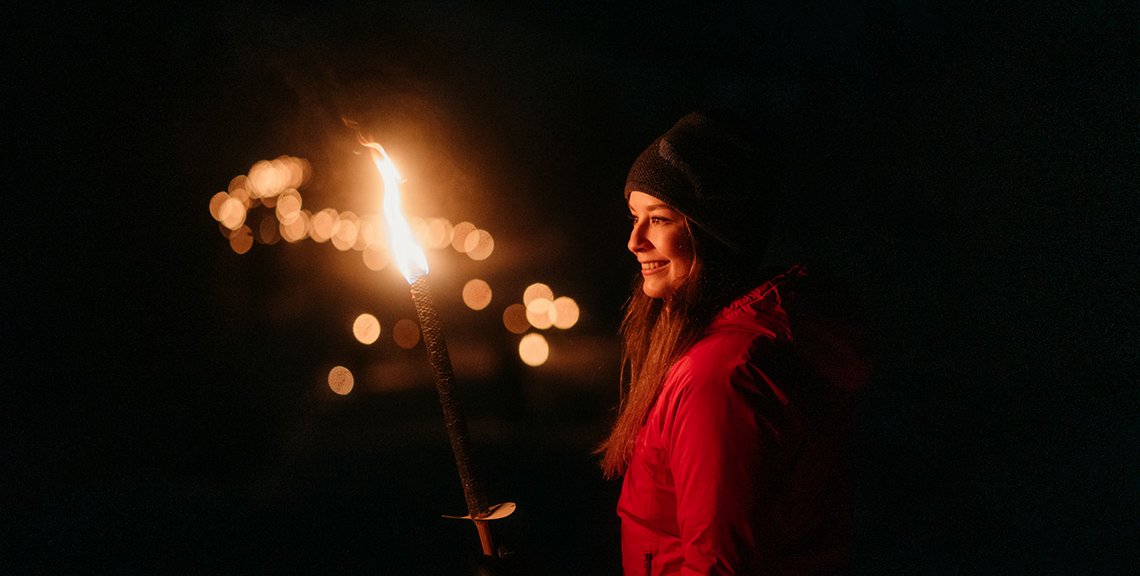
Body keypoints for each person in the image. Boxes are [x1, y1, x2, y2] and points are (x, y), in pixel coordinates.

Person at [597, 111, 868, 575]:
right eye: (634, 217)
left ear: (714, 233)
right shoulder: (731, 349)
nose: (634, 241)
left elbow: (720, 568)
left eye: (658, 219)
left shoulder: (722, 377)